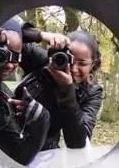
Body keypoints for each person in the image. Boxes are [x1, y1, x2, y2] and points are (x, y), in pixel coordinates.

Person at [14, 22, 104, 151]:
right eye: (68, 59)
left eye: (82, 63)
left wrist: (67, 89)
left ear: (93, 64)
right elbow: (10, 33)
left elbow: (77, 142)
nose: (73, 68)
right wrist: (42, 35)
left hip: (43, 149)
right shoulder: (44, 62)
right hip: (9, 130)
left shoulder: (92, 92)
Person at [0, 17, 50, 165]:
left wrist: (42, 120)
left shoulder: (1, 97)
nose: (9, 64)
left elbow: (19, 157)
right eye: (2, 54)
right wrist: (40, 35)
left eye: (16, 58)